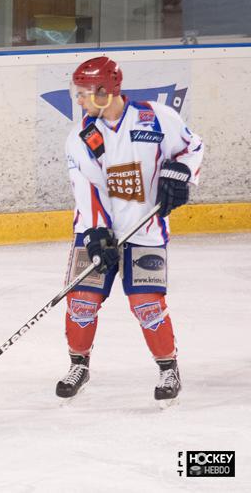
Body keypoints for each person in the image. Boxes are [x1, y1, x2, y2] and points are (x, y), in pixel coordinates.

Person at [58, 56, 204, 405]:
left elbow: (191, 148)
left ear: (105, 92)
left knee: (147, 304)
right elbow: (87, 188)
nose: (79, 100)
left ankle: (168, 368)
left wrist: (180, 173)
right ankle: (79, 366)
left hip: (146, 229)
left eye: (84, 93)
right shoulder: (81, 137)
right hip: (94, 230)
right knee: (82, 301)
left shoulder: (156, 118)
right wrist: (97, 233)